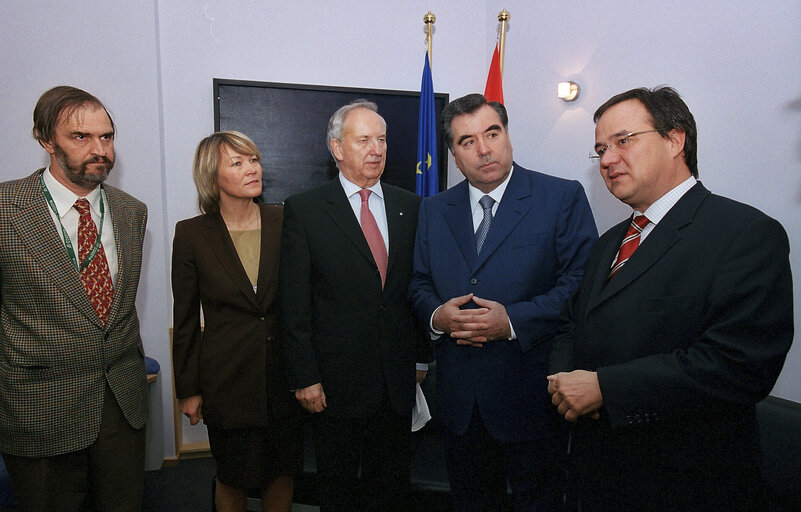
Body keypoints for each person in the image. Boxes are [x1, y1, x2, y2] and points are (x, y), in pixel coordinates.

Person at [547, 86, 793, 511]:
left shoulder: (745, 234)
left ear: (675, 140)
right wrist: (563, 383)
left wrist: (606, 388)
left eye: (623, 141)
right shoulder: (608, 243)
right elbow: (573, 323)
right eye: (600, 148)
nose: (606, 159)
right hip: (597, 474)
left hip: (687, 482)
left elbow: (740, 364)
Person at [408, 93, 598, 511]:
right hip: (460, 404)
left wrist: (512, 321)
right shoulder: (433, 210)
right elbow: (420, 282)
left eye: (492, 133)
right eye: (467, 141)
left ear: (508, 135)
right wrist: (438, 316)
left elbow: (581, 284)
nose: (484, 149)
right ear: (454, 155)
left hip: (533, 398)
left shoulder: (561, 197)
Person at [0, 86, 148, 511]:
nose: (99, 149)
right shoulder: (7, 208)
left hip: (122, 404)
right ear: (46, 140)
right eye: (81, 137)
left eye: (107, 136)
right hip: (39, 407)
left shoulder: (131, 211)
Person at [280, 100, 431, 512]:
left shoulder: (412, 207)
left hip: (396, 386)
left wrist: (420, 358)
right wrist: (304, 377)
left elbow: (415, 288)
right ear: (337, 148)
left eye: (381, 139)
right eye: (363, 139)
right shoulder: (306, 210)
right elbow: (294, 304)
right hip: (334, 388)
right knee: (339, 492)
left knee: (392, 489)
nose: (376, 149)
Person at [172, 131, 302, 512]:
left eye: (254, 160)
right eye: (238, 163)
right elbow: (184, 320)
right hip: (226, 381)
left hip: (283, 376)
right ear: (213, 177)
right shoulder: (192, 234)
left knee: (281, 473)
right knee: (232, 477)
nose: (252, 169)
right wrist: (188, 389)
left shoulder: (286, 220)